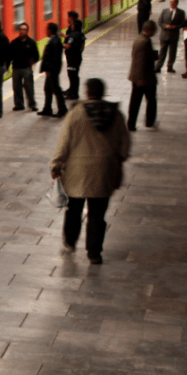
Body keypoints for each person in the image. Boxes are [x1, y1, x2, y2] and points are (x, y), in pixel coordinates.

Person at [50, 78, 130, 266]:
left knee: (74, 209)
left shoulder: (76, 113)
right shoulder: (116, 115)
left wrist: (56, 165)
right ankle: (94, 253)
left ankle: (70, 242)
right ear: (103, 93)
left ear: (87, 93)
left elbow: (64, 142)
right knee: (97, 214)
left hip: (77, 172)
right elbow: (125, 147)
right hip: (104, 172)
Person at [128, 20, 159, 132]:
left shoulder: (139, 38)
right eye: (154, 30)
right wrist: (141, 78)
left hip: (137, 76)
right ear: (149, 29)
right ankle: (149, 122)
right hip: (144, 78)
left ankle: (132, 123)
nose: (155, 32)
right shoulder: (145, 41)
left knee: (135, 102)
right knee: (150, 100)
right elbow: (141, 61)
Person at [39, 22, 68, 118]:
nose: (45, 31)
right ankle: (47, 109)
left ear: (50, 30)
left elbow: (53, 58)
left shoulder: (54, 42)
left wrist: (49, 70)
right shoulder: (55, 40)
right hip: (53, 69)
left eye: (47, 29)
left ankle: (62, 109)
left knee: (56, 89)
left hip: (52, 70)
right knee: (48, 89)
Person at [9, 23, 40, 112]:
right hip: (16, 68)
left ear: (27, 31)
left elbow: (36, 55)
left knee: (29, 87)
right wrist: (7, 66)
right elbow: (9, 55)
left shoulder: (31, 42)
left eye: (24, 29)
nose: (22, 31)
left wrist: (32, 62)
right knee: (16, 87)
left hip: (27, 68)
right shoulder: (14, 42)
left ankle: (32, 104)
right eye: (20, 29)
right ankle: (19, 104)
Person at [155, 0, 186, 73]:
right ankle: (158, 66)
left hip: (174, 36)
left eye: (174, 2)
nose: (172, 3)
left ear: (177, 3)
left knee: (172, 53)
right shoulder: (164, 11)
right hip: (164, 35)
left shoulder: (181, 13)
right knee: (162, 52)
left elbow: (183, 24)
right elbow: (159, 22)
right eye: (171, 2)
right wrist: (166, 26)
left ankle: (170, 66)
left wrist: (175, 27)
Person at [63, 13, 87, 100]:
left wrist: (60, 44)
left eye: (72, 24)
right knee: (75, 75)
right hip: (77, 57)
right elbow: (82, 46)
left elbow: (68, 46)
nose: (71, 25)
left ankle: (74, 93)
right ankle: (73, 91)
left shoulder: (74, 34)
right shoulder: (81, 34)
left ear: (75, 26)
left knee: (72, 75)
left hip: (72, 59)